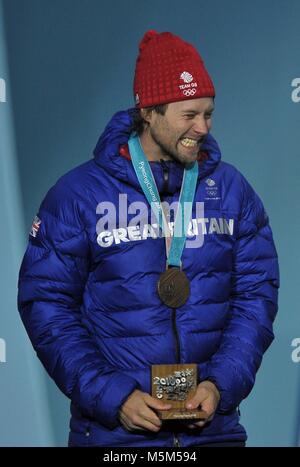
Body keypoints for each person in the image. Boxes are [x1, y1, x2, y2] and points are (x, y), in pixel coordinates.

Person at [17, 30, 279, 448]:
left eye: (209, 114)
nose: (203, 128)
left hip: (213, 434)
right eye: (189, 114)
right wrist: (112, 396)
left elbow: (256, 297)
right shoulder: (78, 195)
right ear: (149, 112)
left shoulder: (231, 192)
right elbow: (47, 305)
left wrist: (219, 386)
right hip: (114, 438)